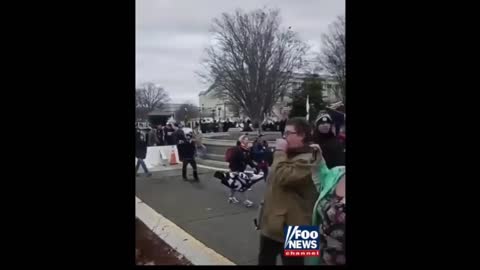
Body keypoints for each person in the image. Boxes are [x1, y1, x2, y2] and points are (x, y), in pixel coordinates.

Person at [257, 117, 318, 265]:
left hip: (299, 225)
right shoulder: (286, 156)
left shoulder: (311, 158)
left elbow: (283, 177)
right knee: (265, 259)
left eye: (288, 133)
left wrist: (279, 152)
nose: (284, 137)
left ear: (302, 135)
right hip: (273, 222)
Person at [306, 144, 346, 265]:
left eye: (290, 133)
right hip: (320, 251)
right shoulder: (338, 172)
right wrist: (317, 162)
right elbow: (322, 185)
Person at [227, 135, 258, 206]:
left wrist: (253, 166)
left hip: (240, 170)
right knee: (242, 185)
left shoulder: (246, 149)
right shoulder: (237, 149)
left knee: (234, 185)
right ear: (242, 141)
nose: (248, 141)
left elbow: (248, 160)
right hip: (236, 170)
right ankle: (245, 201)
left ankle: (231, 198)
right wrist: (234, 170)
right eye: (246, 140)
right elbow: (232, 160)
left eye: (248, 139)